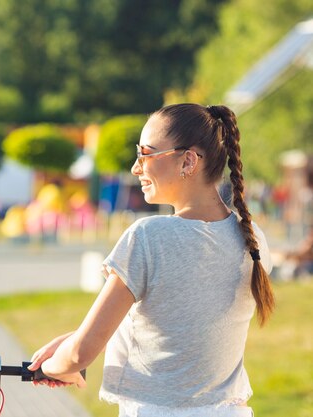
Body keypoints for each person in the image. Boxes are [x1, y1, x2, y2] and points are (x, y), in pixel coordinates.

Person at [28, 103, 275, 417]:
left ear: (188, 160)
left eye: (145, 154)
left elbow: (79, 356)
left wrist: (51, 367)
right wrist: (73, 339)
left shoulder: (149, 236)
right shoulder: (253, 239)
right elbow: (178, 327)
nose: (135, 167)